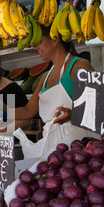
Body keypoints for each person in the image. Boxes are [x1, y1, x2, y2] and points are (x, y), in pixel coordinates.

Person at [13, 25, 98, 157]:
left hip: (80, 145)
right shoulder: (44, 77)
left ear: (55, 39)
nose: (36, 48)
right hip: (54, 147)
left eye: (39, 42)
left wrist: (72, 115)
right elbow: (28, 111)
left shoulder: (80, 66)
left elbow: (98, 108)